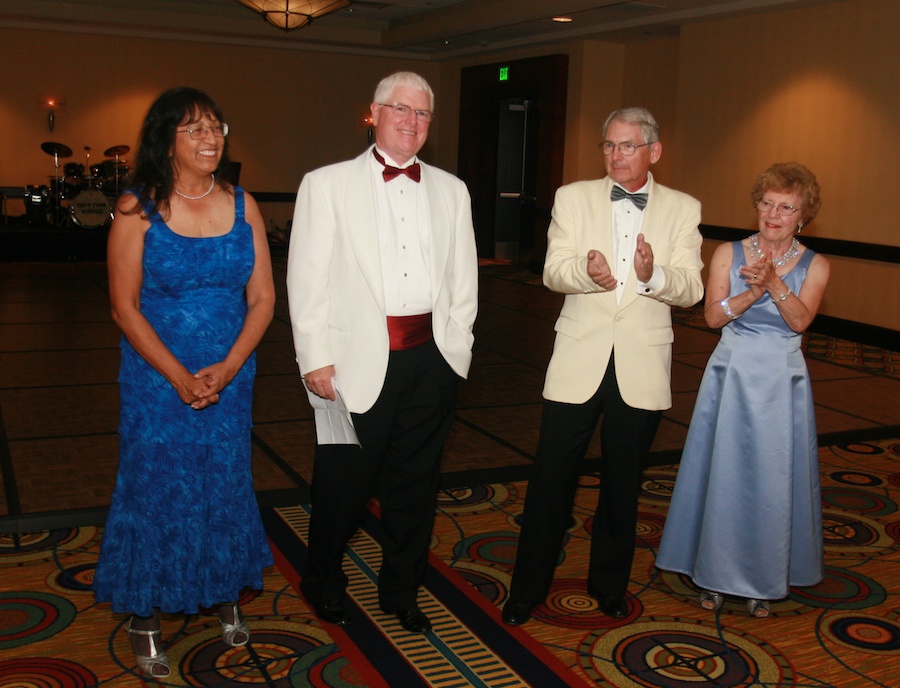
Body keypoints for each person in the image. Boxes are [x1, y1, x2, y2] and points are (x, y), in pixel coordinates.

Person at [286, 71, 478, 635]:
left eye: (422, 114)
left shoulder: (452, 189)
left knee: (414, 489)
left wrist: (456, 351)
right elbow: (306, 279)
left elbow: (463, 280)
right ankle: (321, 581)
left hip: (431, 362)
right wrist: (314, 357)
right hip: (350, 367)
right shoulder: (326, 184)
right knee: (341, 486)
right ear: (374, 112)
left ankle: (401, 590)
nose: (412, 122)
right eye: (401, 109)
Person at [92, 87, 275, 678]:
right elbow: (124, 308)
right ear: (166, 140)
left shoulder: (243, 205)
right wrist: (178, 377)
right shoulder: (135, 208)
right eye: (194, 129)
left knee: (222, 483)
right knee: (157, 490)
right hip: (156, 384)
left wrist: (227, 367)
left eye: (216, 127)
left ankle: (220, 588)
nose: (210, 138)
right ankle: (145, 616)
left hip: (230, 376)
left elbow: (265, 298)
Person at [501, 107, 704, 626]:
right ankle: (526, 589)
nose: (616, 155)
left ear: (653, 152)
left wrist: (652, 272)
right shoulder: (573, 197)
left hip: (641, 364)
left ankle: (609, 586)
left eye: (627, 146)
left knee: (622, 484)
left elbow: (692, 288)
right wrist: (589, 273)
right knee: (550, 480)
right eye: (609, 145)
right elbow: (551, 271)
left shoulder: (683, 208)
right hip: (578, 359)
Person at [655, 162, 828, 617]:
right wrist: (750, 294)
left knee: (773, 481)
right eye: (767, 203)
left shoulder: (817, 265)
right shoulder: (729, 254)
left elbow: (801, 321)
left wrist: (774, 284)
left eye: (786, 207)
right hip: (730, 374)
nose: (774, 214)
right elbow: (712, 317)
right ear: (757, 205)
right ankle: (711, 573)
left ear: (802, 215)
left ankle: (763, 578)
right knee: (723, 473)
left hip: (781, 380)